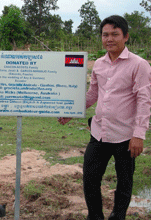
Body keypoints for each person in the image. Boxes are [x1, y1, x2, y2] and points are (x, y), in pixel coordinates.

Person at [58, 15, 151, 220]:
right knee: (90, 178)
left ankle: (118, 216)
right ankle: (95, 216)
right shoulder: (99, 64)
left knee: (124, 181)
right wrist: (72, 112)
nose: (109, 39)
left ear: (125, 36)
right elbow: (93, 94)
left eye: (115, 34)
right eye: (105, 34)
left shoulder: (139, 65)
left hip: (126, 136)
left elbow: (145, 100)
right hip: (99, 132)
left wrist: (139, 134)